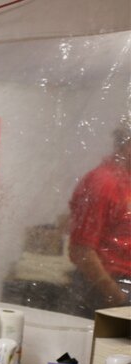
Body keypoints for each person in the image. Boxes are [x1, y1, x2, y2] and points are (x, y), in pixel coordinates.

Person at [68, 116, 131, 317]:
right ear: (127, 146)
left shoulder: (126, 181)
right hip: (106, 291)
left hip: (120, 291)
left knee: (121, 349)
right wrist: (116, 296)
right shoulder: (104, 183)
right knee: (105, 348)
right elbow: (81, 249)